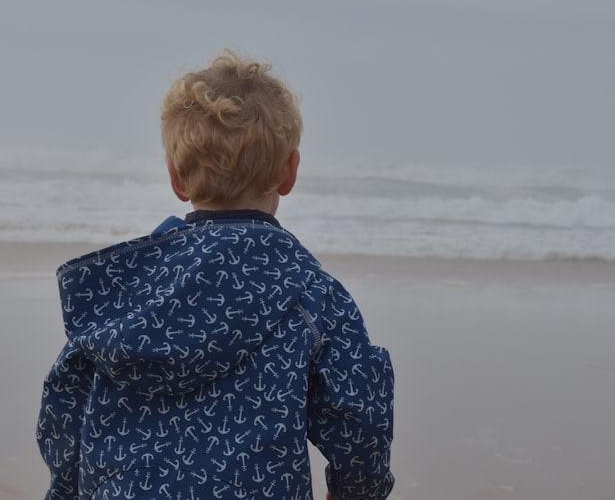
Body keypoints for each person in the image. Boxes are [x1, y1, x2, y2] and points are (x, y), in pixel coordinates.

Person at [37, 51, 395, 500]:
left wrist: (67, 491)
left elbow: (65, 406)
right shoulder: (312, 294)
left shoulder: (127, 292)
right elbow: (360, 414)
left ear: (177, 179)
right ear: (289, 171)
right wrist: (357, 492)